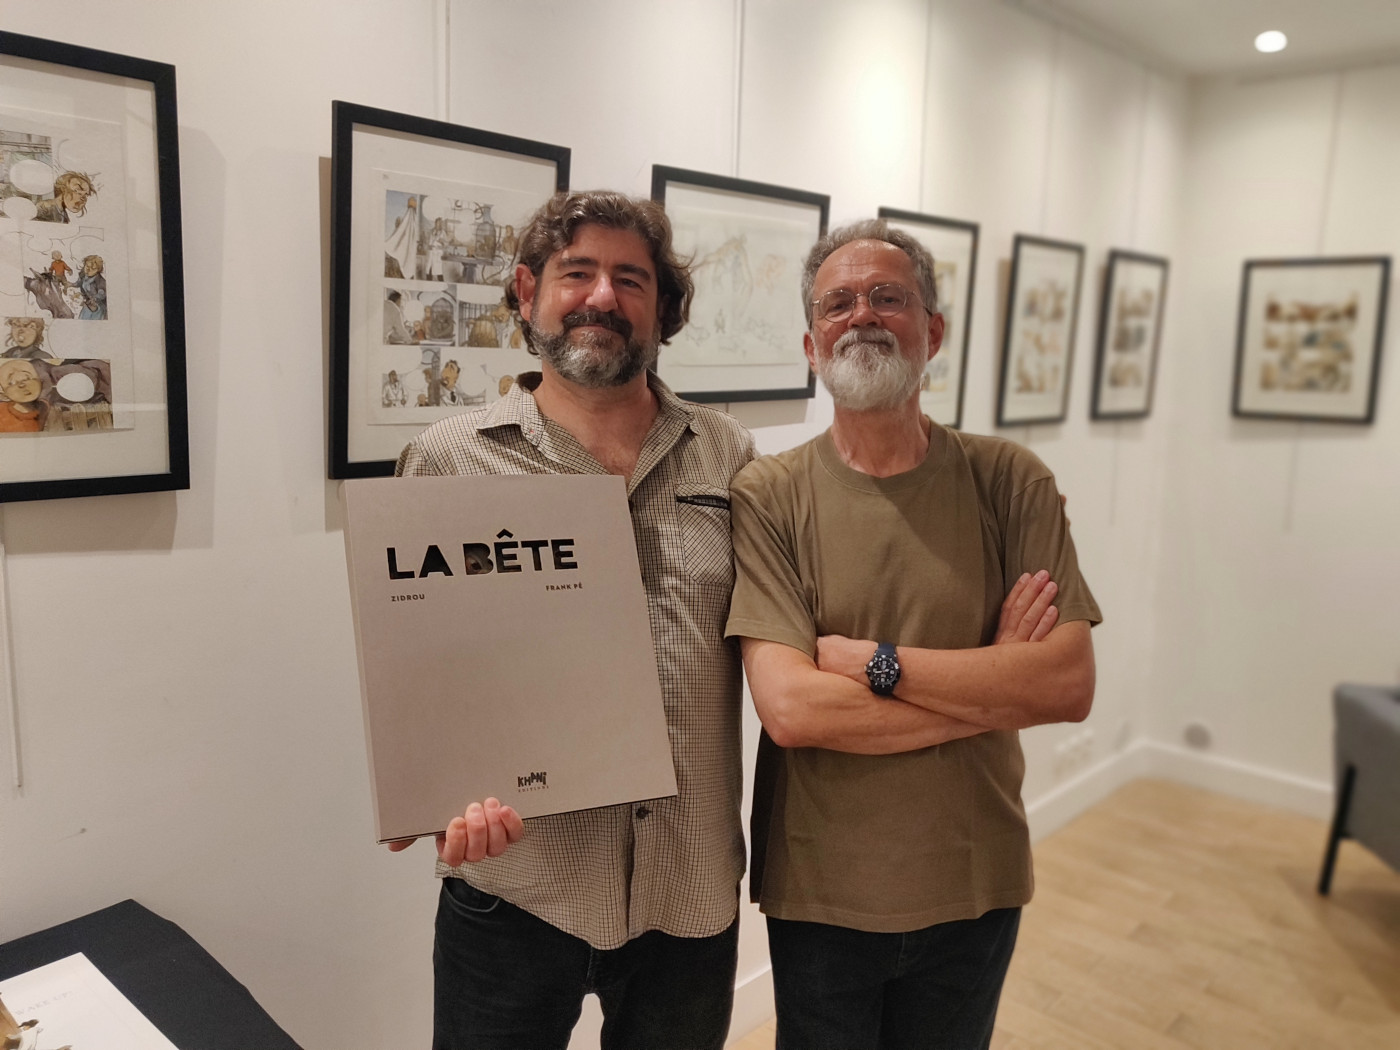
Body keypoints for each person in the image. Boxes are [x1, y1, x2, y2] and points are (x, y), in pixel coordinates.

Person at [392, 190, 756, 1050]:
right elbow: (417, 666)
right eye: (577, 273)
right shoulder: (449, 458)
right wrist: (435, 794)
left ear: (662, 307)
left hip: (687, 891)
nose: (602, 297)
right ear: (528, 292)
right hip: (516, 886)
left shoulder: (729, 456)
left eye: (631, 279)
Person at [725, 218, 1101, 1049]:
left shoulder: (1010, 481)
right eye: (838, 303)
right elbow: (793, 711)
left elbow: (1067, 685)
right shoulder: (768, 495)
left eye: (888, 297)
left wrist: (876, 663)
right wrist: (995, 681)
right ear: (811, 345)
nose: (862, 315)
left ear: (934, 332)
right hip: (822, 889)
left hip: (975, 877)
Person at [77, 255, 107, 320]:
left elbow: (102, 293)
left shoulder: (100, 281)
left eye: (93, 268)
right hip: (88, 305)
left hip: (98, 307)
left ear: (98, 270)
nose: (88, 270)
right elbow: (79, 283)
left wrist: (95, 298)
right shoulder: (83, 275)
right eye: (87, 266)